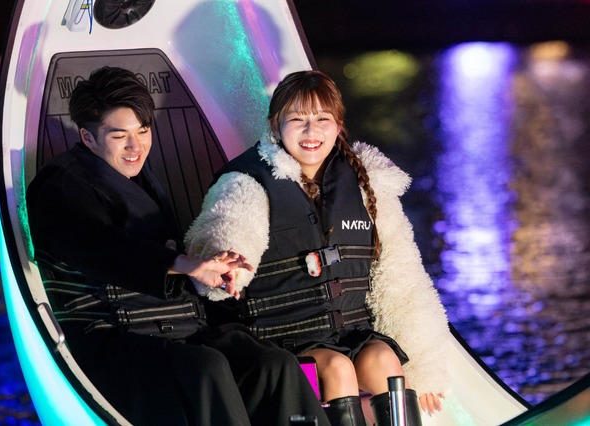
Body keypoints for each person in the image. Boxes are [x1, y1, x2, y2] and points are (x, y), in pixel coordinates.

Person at [26, 66, 329, 425]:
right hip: (110, 336)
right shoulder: (61, 186)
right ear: (88, 138)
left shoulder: (139, 178)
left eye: (143, 131)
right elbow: (100, 246)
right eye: (119, 136)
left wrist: (213, 265)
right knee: (206, 366)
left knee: (273, 364)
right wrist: (183, 263)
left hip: (178, 328)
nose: (136, 146)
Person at [184, 70, 451, 425]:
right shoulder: (245, 182)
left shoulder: (367, 183)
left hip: (351, 331)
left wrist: (425, 366)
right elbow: (230, 226)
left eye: (322, 119)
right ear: (275, 125)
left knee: (384, 360)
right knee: (338, 368)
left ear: (338, 126)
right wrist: (224, 264)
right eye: (298, 120)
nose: (311, 132)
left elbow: (402, 278)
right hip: (284, 335)